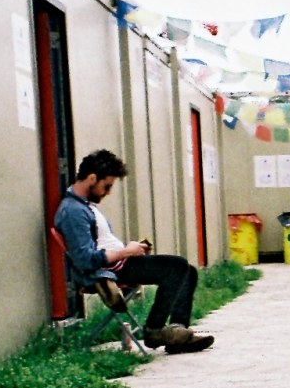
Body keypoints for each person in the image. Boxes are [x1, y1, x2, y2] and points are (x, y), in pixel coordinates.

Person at [53, 149, 213, 354]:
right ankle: (155, 331)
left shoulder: (84, 205)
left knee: (188, 271)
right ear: (92, 178)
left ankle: (177, 332)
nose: (108, 192)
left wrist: (131, 249)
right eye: (106, 186)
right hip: (109, 271)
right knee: (176, 266)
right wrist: (126, 252)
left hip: (118, 263)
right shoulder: (73, 212)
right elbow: (86, 260)